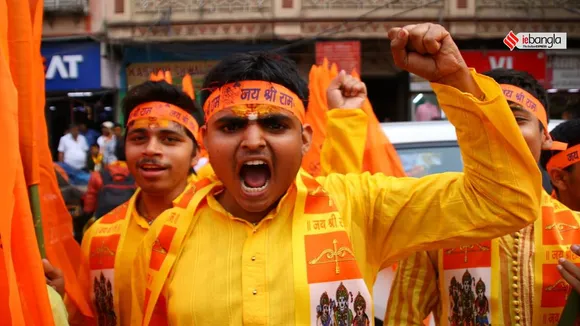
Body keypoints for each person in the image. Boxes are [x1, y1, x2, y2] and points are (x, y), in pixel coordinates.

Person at [130, 24, 543, 326]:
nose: (252, 141)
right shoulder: (167, 234)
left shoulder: (359, 205)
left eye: (275, 125)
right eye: (231, 126)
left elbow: (503, 200)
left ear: (306, 138)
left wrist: (456, 81)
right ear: (205, 139)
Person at [385, 69, 580, 326]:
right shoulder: (437, 226)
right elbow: (400, 320)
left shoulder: (576, 229)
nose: (502, 130)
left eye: (516, 119)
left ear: (545, 136)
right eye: (486, 120)